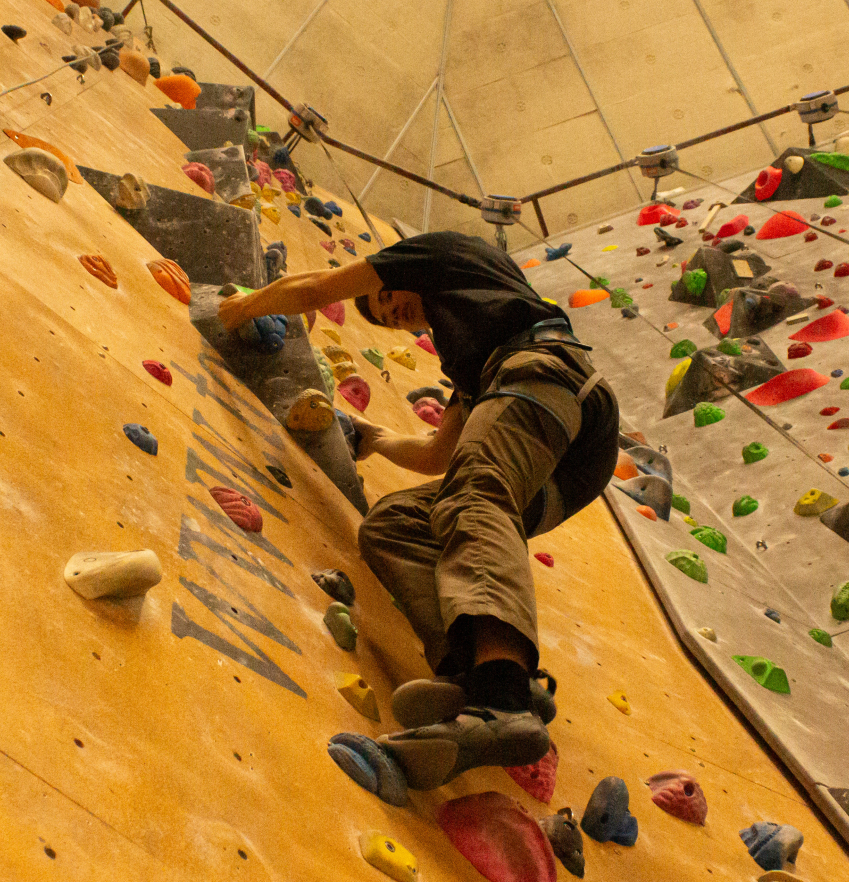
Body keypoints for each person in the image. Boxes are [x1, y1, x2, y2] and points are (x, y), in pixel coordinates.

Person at [218, 231, 620, 791]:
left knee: (476, 491)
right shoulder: (474, 360)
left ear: (399, 273)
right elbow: (437, 456)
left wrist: (241, 308)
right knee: (394, 525)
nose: (395, 313)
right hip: (568, 462)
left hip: (548, 375)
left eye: (387, 298)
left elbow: (315, 288)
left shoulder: (445, 254)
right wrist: (376, 438)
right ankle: (474, 667)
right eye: (388, 321)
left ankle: (501, 696)